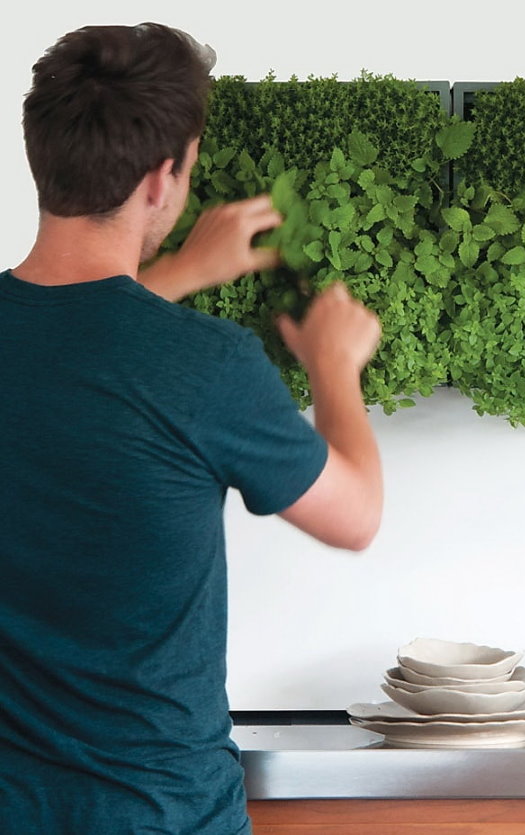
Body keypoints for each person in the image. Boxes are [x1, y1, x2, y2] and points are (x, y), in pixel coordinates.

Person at [0, 22, 382, 834]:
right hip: (162, 813)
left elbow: (80, 344)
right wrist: (333, 366)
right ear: (162, 179)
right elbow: (355, 514)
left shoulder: (176, 363)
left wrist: (177, 272)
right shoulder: (208, 366)